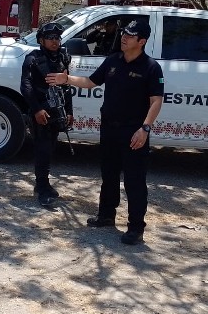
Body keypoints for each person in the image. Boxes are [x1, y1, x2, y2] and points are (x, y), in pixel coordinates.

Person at [47, 18, 163, 244]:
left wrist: (145, 128)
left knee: (134, 181)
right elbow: (91, 82)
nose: (124, 38)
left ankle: (136, 227)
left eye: (130, 36)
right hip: (109, 129)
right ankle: (106, 215)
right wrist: (66, 79)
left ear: (142, 41)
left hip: (134, 133)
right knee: (108, 175)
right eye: (124, 34)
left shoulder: (150, 67)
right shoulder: (113, 61)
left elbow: (156, 101)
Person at [20, 22, 74, 207]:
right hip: (40, 110)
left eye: (57, 38)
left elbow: (66, 87)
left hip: (57, 110)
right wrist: (36, 110)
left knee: (50, 148)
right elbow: (26, 86)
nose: (55, 42)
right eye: (51, 38)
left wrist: (69, 112)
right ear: (41, 40)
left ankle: (43, 184)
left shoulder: (63, 57)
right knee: (42, 150)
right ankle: (42, 188)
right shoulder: (33, 58)